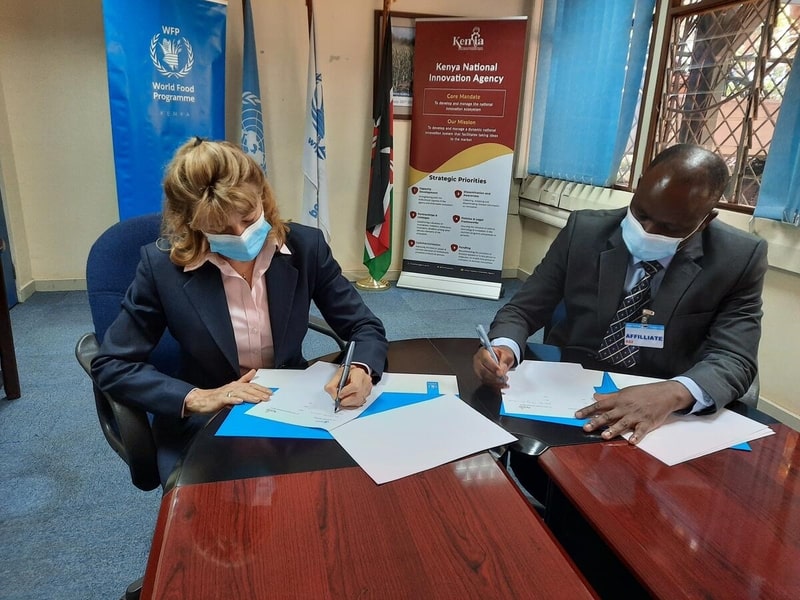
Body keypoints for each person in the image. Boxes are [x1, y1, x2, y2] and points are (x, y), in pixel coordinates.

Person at [92, 138, 388, 485]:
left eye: (248, 218)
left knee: (334, 491)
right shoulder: (161, 268)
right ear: (189, 223)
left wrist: (362, 367)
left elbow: (363, 326)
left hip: (296, 405)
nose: (242, 234)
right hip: (210, 418)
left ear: (263, 196)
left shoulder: (306, 248)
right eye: (220, 229)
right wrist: (198, 397)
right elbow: (112, 364)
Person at [475, 143, 767, 446]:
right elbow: (523, 309)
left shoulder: (738, 258)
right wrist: (502, 346)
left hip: (662, 404)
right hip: (570, 391)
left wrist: (672, 393)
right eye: (641, 213)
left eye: (669, 227)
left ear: (705, 220)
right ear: (639, 186)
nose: (647, 230)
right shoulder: (585, 231)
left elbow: (735, 358)